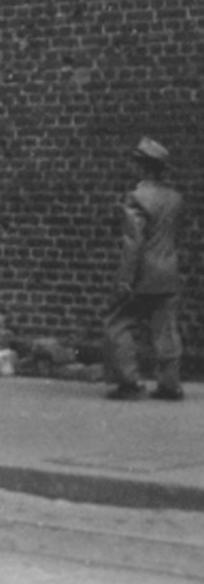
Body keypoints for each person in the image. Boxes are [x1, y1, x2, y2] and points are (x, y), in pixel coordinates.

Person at [105, 137, 187, 400]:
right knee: (166, 328)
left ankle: (129, 383)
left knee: (116, 323)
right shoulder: (175, 199)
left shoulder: (136, 198)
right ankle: (169, 385)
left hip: (144, 274)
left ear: (142, 166)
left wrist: (124, 280)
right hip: (169, 271)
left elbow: (133, 242)